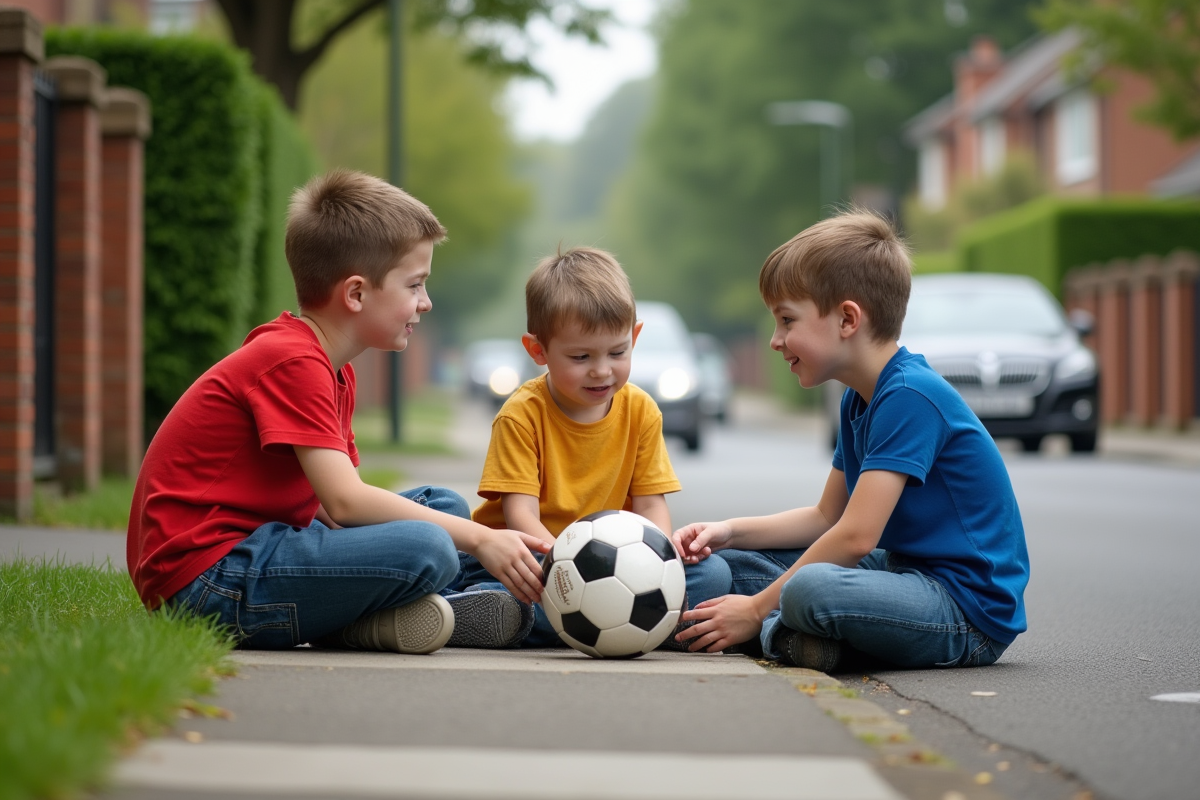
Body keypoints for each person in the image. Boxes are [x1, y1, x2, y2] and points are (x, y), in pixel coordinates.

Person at [126, 170, 548, 655]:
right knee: (431, 544)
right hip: (208, 582)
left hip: (260, 548)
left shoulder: (329, 367)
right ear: (356, 294)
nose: (425, 303)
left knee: (441, 507)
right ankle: (395, 617)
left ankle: (427, 608)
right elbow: (346, 503)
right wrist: (478, 539)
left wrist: (465, 536)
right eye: (414, 285)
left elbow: (328, 510)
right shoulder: (294, 361)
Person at [672, 210, 1029, 672]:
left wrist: (758, 607)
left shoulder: (909, 396)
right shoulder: (859, 398)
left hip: (965, 611)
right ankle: (792, 635)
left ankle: (769, 628)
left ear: (846, 319)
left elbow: (856, 537)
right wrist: (728, 531)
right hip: (900, 575)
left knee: (810, 589)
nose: (775, 341)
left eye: (786, 320)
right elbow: (827, 517)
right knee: (736, 563)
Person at [464, 247, 732, 647]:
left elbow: (650, 504)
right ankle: (488, 614)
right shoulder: (521, 414)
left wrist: (659, 559)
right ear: (538, 350)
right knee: (507, 588)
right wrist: (570, 566)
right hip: (533, 559)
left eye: (617, 352)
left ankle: (567, 625)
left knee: (715, 575)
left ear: (634, 337)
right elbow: (520, 514)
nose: (602, 370)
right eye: (581, 356)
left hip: (619, 564)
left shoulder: (641, 410)